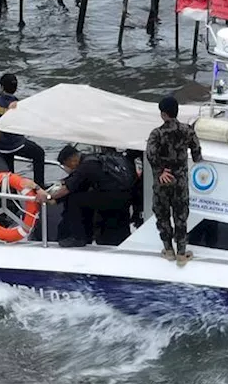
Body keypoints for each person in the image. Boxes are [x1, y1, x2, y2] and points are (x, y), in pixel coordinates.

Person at [145, 95, 203, 266]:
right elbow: (197, 153)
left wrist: (161, 171)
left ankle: (168, 250)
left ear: (163, 114)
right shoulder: (188, 131)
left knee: (162, 215)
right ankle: (182, 253)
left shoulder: (156, 133)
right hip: (180, 181)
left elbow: (150, 154)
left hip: (162, 182)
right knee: (180, 216)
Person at [48, 146, 135, 248]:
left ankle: (78, 238)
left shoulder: (85, 166)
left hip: (112, 197)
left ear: (71, 160)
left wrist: (49, 197)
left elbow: (68, 188)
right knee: (85, 198)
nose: (69, 168)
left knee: (75, 200)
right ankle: (87, 235)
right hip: (125, 195)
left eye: (67, 165)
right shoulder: (93, 159)